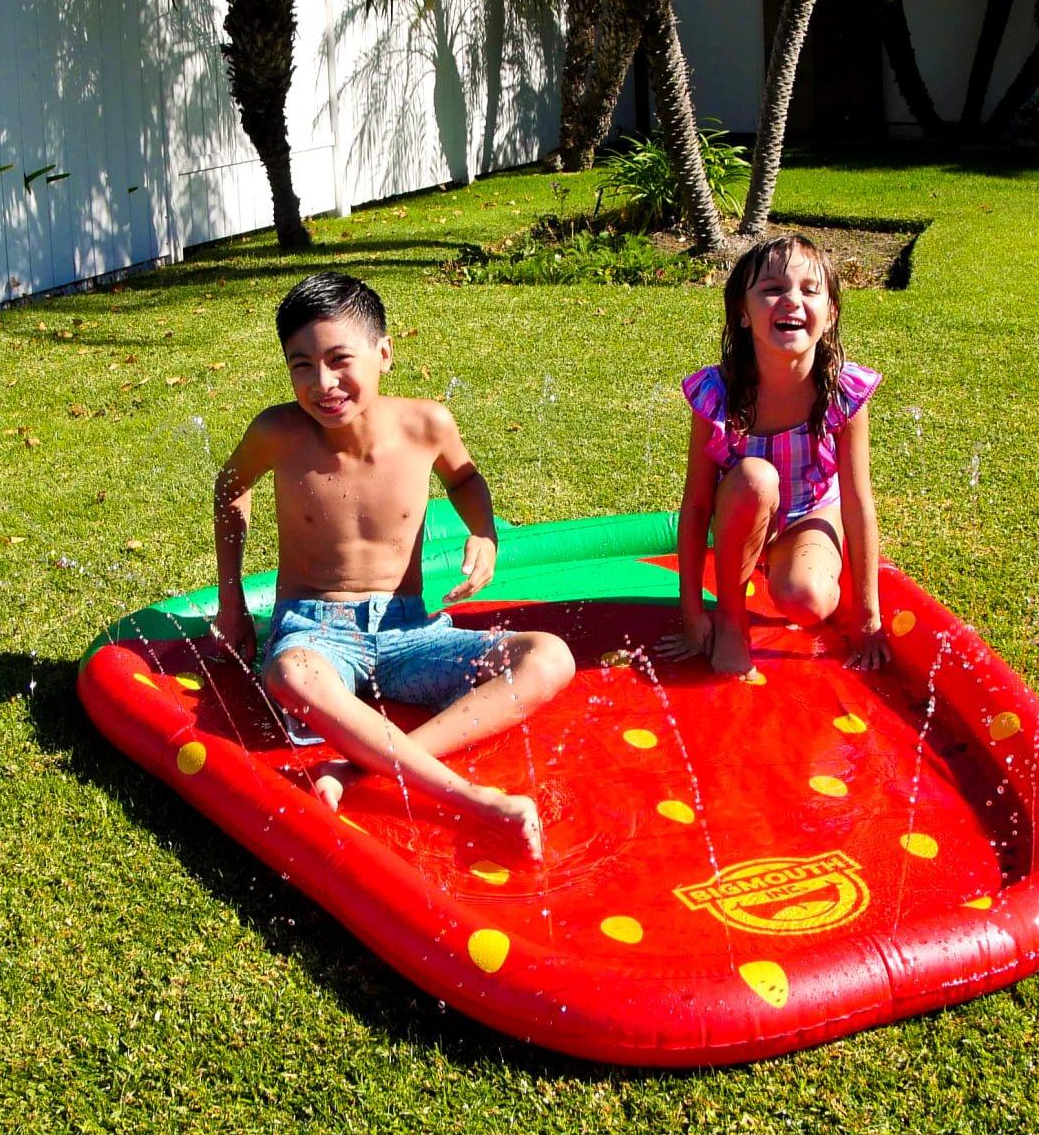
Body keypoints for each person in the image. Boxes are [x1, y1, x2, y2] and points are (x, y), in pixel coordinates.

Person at [212, 271, 574, 861]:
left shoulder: (426, 424)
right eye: (301, 365)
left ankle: (360, 764)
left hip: (411, 632)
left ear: (384, 353)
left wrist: (484, 532)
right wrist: (233, 604)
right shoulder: (278, 432)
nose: (322, 383)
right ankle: (473, 801)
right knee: (293, 676)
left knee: (549, 656)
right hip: (314, 629)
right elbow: (230, 489)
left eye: (339, 359)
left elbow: (464, 478)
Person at [663, 235, 887, 678]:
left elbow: (860, 504)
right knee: (754, 477)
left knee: (808, 602)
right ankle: (732, 620)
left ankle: (796, 560)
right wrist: (693, 616)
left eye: (809, 289)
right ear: (743, 314)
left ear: (831, 313)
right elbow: (696, 506)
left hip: (809, 513)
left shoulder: (842, 394)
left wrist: (868, 617)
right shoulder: (718, 394)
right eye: (772, 289)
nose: (791, 301)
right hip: (744, 507)